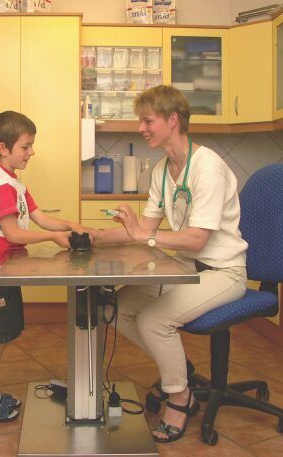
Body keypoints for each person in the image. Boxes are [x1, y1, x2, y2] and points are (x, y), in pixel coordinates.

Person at [94, 85, 248, 443]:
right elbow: (144, 228)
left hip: (223, 272)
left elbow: (196, 239)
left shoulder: (207, 168)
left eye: (147, 120)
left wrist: (144, 237)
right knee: (115, 308)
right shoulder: (163, 169)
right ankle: (178, 370)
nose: (141, 128)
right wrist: (91, 234)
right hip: (186, 269)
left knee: (153, 319)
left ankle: (181, 396)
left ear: (172, 120)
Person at [0, 111, 96, 423]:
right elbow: (12, 233)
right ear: (3, 148)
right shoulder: (0, 185)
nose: (31, 152)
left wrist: (70, 224)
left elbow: (38, 216)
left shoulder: (14, 182)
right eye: (26, 146)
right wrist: (53, 236)